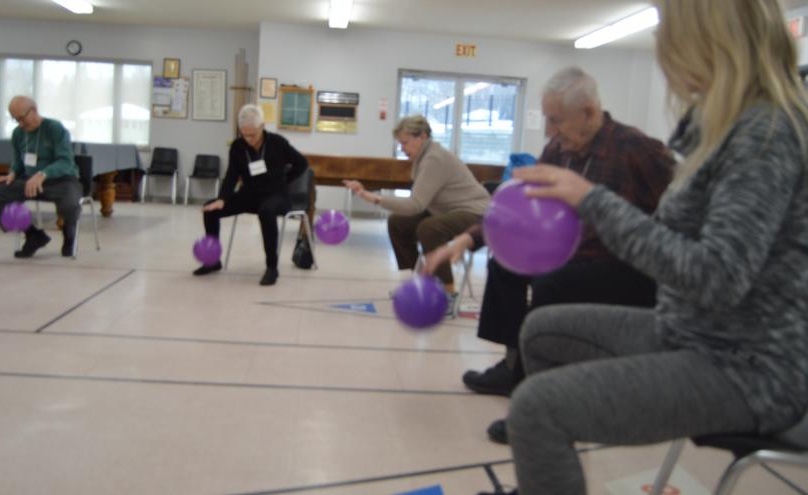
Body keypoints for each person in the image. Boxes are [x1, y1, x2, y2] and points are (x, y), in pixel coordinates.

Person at [483, 1, 808, 494]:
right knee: (542, 329)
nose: (662, 49)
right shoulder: (724, 130)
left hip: (747, 368)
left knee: (536, 409)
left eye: (668, 34)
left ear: (704, 42)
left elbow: (716, 277)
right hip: (694, 334)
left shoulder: (765, 135)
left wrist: (593, 202)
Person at [426, 66, 674, 443]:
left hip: (625, 265)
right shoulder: (559, 149)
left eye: (555, 120)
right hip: (569, 255)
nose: (548, 132)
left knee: (551, 286)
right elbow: (520, 206)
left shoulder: (638, 149)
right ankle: (513, 364)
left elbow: (679, 219)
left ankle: (531, 403)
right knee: (506, 267)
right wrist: (470, 239)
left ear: (589, 113)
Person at [344, 115, 490, 300]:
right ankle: (415, 283)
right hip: (448, 211)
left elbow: (415, 204)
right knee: (398, 222)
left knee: (429, 228)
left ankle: (447, 293)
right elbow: (418, 203)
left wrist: (373, 197)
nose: (402, 148)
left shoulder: (434, 158)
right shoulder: (423, 157)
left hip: (475, 213)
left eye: (405, 143)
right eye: (400, 143)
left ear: (422, 136)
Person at [194, 104, 308, 286]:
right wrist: (222, 199)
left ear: (262, 126)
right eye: (244, 134)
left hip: (277, 196)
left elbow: (302, 163)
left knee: (267, 210)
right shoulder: (238, 147)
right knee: (211, 209)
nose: (248, 139)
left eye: (252, 134)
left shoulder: (278, 143)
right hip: (249, 195)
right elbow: (231, 175)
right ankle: (212, 261)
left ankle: (272, 268)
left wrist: (285, 181)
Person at [0, 96, 81, 258]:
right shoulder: (18, 134)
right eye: (16, 120)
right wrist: (12, 173)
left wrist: (43, 174)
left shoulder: (55, 128)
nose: (21, 124)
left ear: (34, 110)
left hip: (61, 179)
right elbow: (18, 161)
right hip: (29, 181)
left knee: (70, 203)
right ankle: (33, 235)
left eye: (22, 118)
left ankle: (69, 236)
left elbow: (65, 161)